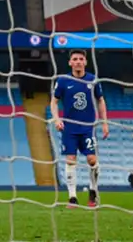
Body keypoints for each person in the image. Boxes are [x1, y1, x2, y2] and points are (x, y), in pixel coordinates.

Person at [51, 50, 109, 208]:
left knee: (92, 160)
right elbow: (54, 102)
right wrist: (57, 119)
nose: (78, 61)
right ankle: (72, 198)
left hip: (88, 127)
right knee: (70, 160)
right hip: (69, 128)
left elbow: (101, 100)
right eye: (75, 59)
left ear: (85, 62)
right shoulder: (63, 80)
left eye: (81, 59)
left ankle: (93, 191)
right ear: (70, 62)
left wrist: (104, 123)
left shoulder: (92, 79)